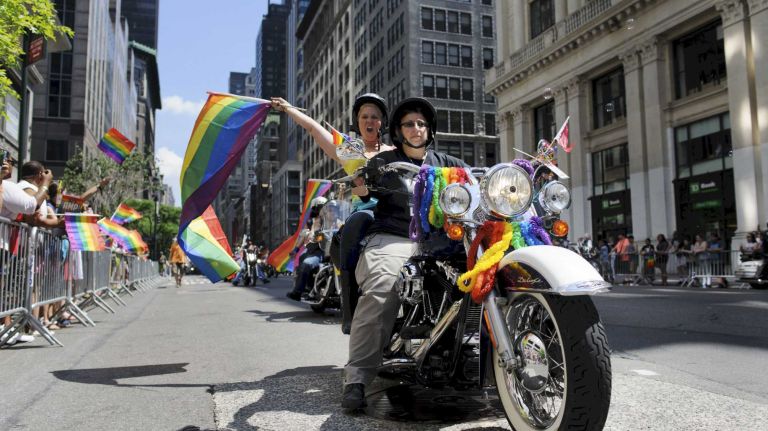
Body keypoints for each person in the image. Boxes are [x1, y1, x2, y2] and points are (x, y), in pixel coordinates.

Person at [341, 97, 468, 411]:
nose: (416, 128)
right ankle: (357, 377)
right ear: (398, 130)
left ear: (429, 130)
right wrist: (359, 181)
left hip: (442, 240)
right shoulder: (383, 164)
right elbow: (364, 190)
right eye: (409, 123)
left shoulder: (449, 163)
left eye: (422, 123)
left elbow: (473, 185)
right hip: (394, 236)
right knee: (382, 285)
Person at [272, 93, 394, 334]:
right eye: (364, 117)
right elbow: (314, 128)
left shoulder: (394, 151)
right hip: (367, 213)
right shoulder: (351, 151)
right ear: (358, 122)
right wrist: (288, 109)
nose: (370, 121)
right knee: (356, 222)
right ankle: (349, 310)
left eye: (375, 117)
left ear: (383, 123)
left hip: (397, 213)